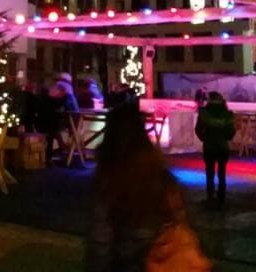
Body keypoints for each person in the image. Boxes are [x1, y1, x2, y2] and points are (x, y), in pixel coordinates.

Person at [86, 104, 209, 272]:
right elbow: (181, 215)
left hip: (126, 264)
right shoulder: (160, 174)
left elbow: (100, 238)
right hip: (161, 259)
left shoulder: (109, 178)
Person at [195, 91, 235, 209]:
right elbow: (231, 132)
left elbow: (198, 129)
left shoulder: (204, 113)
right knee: (222, 173)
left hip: (209, 146)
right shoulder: (227, 114)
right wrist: (225, 138)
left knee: (210, 172)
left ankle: (210, 197)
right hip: (223, 146)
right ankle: (221, 198)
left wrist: (204, 138)